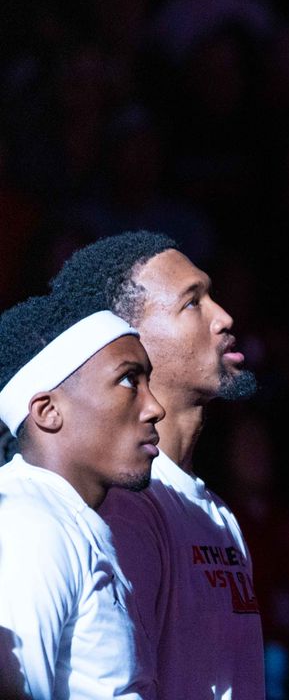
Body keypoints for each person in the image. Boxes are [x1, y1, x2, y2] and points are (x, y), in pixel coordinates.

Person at [48, 231, 264, 698]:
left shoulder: (213, 510)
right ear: (131, 339)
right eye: (193, 303)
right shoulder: (125, 505)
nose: (224, 317)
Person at [0, 294, 163, 698]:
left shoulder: (63, 517)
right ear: (48, 411)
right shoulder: (28, 524)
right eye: (129, 380)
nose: (155, 407)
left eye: (148, 383)